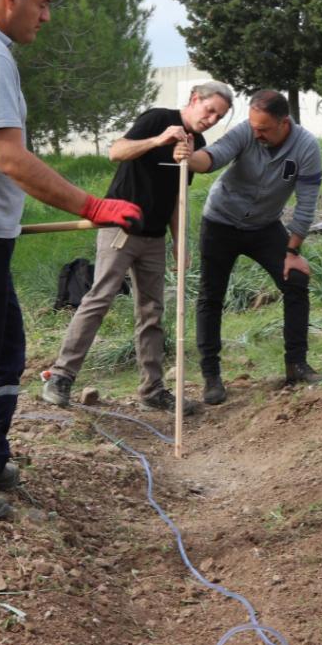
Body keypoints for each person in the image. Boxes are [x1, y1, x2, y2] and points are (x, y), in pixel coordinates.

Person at [0, 0, 142, 524]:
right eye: (42, 3)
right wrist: (94, 205)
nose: (46, 15)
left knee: (3, 350)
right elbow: (11, 158)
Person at [42, 82, 233, 413]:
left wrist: (179, 242)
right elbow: (116, 151)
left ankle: (152, 389)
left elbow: (177, 197)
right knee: (99, 299)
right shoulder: (158, 118)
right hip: (121, 227)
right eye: (210, 110)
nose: (212, 119)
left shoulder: (195, 143)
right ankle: (60, 377)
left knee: (152, 311)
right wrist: (159, 140)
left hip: (155, 237)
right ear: (193, 99)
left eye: (220, 116)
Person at [173, 89, 322, 405]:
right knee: (211, 296)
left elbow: (307, 202)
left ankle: (296, 364)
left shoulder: (307, 147)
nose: (257, 133)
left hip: (265, 226)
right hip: (220, 222)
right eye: (253, 126)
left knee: (295, 281)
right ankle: (211, 376)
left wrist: (293, 251)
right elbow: (213, 156)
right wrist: (191, 157)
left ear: (284, 123)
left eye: (264, 129)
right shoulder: (247, 131)